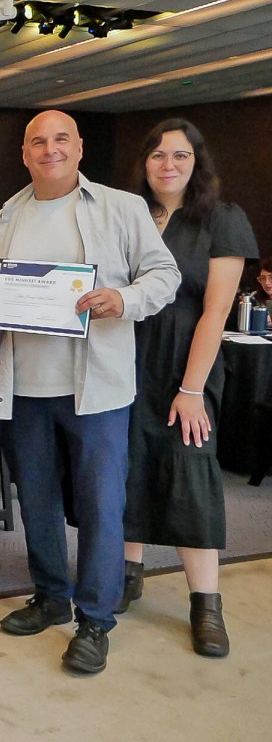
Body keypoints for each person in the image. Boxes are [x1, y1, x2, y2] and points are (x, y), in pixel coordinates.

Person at [0, 110, 180, 676]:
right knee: (36, 498)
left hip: (97, 390)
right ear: (24, 153)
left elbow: (164, 276)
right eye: (38, 141)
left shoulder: (121, 208)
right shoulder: (6, 217)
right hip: (24, 389)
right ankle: (50, 595)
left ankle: (94, 620)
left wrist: (123, 300)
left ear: (80, 147)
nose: (50, 149)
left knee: (99, 505)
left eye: (61, 139)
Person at [118, 118, 258, 657]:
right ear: (144, 163)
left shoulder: (222, 220)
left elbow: (216, 309)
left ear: (197, 161)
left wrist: (192, 388)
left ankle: (206, 603)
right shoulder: (130, 215)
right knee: (126, 467)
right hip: (125, 361)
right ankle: (126, 578)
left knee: (191, 474)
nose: (167, 165)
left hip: (187, 366)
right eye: (157, 155)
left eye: (179, 155)